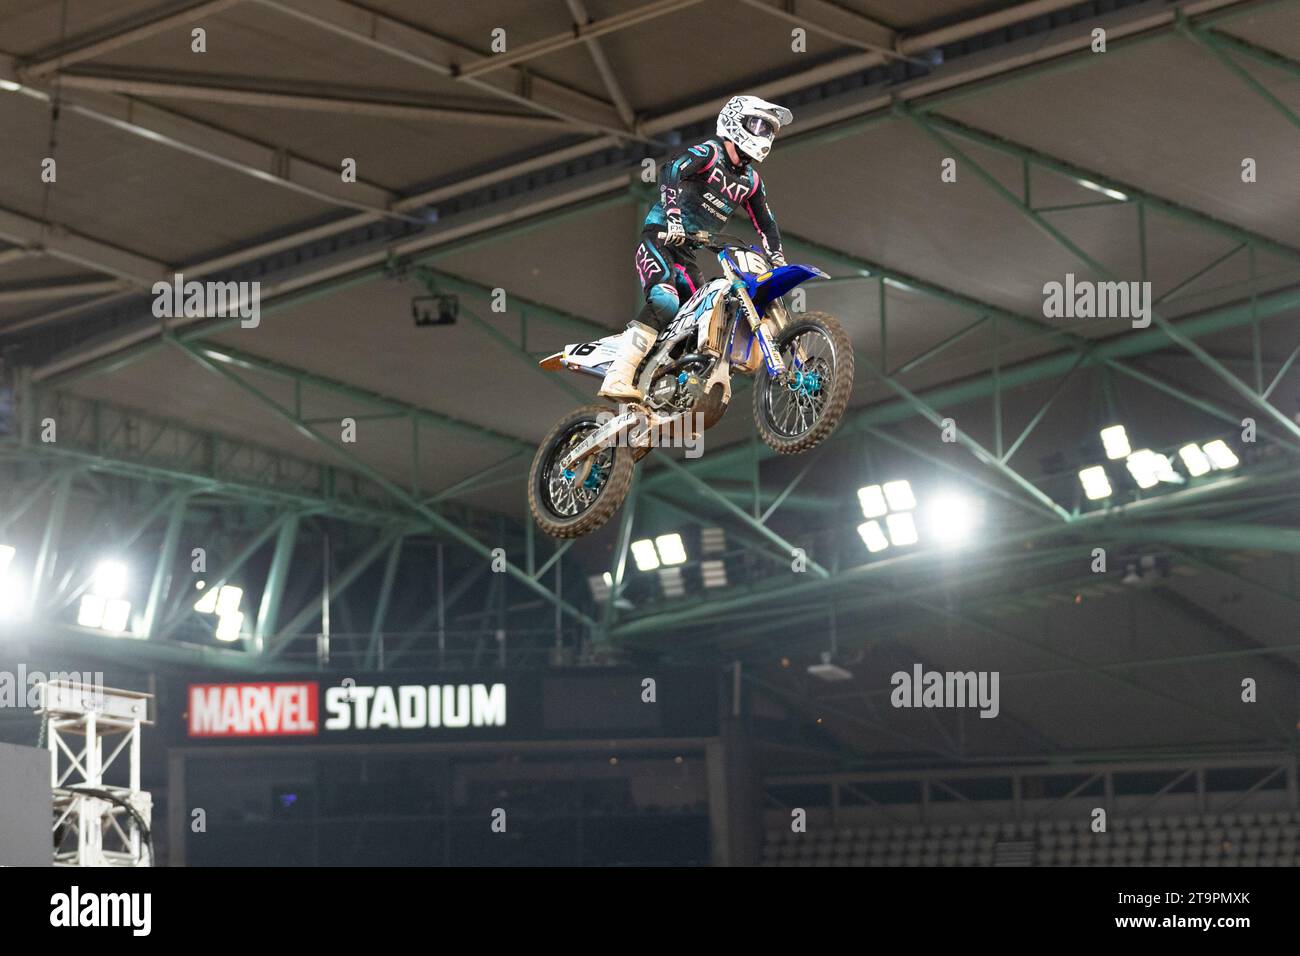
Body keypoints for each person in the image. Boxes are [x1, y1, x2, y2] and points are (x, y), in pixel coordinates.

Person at [599, 95, 793, 401]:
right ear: (735, 122)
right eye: (757, 125)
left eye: (768, 130)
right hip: (660, 238)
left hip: (687, 252)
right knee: (665, 300)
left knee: (704, 314)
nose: (763, 135)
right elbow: (670, 170)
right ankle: (618, 375)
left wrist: (778, 259)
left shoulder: (752, 181)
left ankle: (671, 385)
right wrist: (674, 219)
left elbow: (766, 223)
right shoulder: (710, 153)